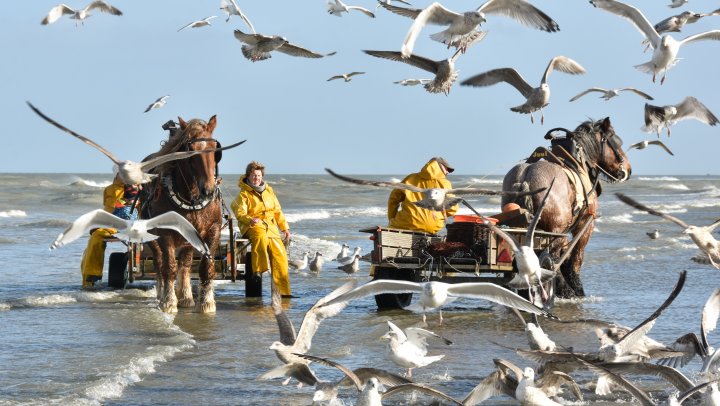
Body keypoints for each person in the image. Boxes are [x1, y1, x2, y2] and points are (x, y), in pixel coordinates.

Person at [230, 161, 293, 297]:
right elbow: (240, 212)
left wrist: (284, 228)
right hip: (252, 225)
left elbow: (278, 212)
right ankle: (258, 271)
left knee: (280, 255)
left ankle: (283, 293)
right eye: (254, 175)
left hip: (270, 227)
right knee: (260, 238)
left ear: (262, 176)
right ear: (248, 176)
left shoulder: (269, 192)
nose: (256, 178)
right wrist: (250, 219)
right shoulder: (243, 194)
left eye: (259, 175)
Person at [80, 175, 140, 288]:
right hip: (114, 224)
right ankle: (92, 275)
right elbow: (108, 210)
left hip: (138, 223)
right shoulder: (110, 189)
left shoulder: (143, 188)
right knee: (96, 237)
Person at [387, 157, 458, 234]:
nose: (448, 172)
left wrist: (391, 219)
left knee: (388, 230)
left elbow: (393, 199)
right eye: (447, 169)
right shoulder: (445, 183)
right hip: (431, 227)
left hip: (405, 224)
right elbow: (452, 209)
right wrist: (438, 217)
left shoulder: (410, 178)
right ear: (439, 166)